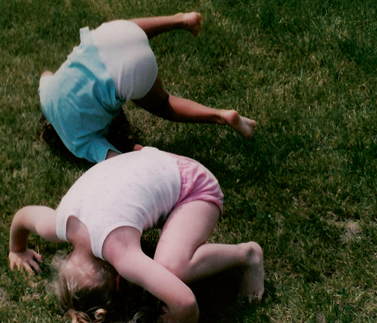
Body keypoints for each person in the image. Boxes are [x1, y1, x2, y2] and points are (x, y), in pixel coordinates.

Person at [8, 147, 264, 323]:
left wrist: (178, 319)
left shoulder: (119, 252)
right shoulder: (58, 223)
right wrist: (17, 247)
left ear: (119, 281)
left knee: (171, 269)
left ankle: (248, 255)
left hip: (194, 188)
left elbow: (185, 303)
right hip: (144, 162)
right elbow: (23, 216)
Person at [39, 12, 257, 163]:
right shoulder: (46, 97)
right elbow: (45, 75)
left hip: (129, 71)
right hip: (107, 37)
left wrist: (140, 155)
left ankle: (221, 116)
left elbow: (115, 160)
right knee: (128, 33)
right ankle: (180, 20)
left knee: (164, 104)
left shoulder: (79, 143)